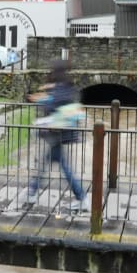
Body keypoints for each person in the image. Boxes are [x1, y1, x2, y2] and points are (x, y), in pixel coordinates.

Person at [25, 59, 86, 215]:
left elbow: (52, 106)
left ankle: (81, 198)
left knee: (60, 167)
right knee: (49, 163)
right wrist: (47, 93)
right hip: (60, 132)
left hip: (55, 133)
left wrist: (42, 99)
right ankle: (32, 192)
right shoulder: (67, 86)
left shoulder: (59, 89)